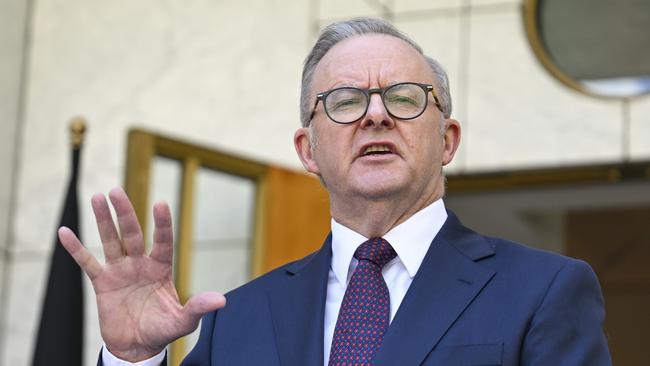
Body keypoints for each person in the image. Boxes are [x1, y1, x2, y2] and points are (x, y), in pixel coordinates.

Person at [59, 17, 611, 365]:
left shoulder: (544, 292)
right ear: (307, 150)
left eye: (404, 97)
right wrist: (132, 360)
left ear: (447, 139)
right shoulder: (240, 318)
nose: (375, 115)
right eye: (345, 101)